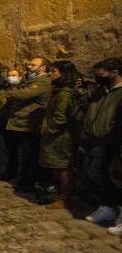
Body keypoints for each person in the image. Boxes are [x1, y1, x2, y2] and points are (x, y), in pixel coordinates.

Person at [36, 61, 82, 208]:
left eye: (55, 72)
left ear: (64, 74)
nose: (51, 74)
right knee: (56, 166)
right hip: (55, 137)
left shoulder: (65, 93)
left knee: (63, 167)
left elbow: (60, 117)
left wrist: (48, 129)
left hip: (61, 137)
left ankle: (64, 198)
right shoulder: (60, 91)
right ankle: (56, 194)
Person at [82, 57, 122, 226]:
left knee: (113, 176)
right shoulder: (102, 91)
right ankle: (107, 206)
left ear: (115, 73)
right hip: (96, 139)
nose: (98, 77)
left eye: (102, 74)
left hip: (112, 141)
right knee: (97, 173)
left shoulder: (119, 93)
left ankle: (115, 209)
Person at [3, 56, 52, 192]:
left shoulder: (42, 82)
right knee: (23, 154)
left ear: (43, 68)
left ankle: (27, 183)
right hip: (21, 122)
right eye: (29, 64)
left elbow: (21, 95)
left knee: (29, 155)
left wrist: (13, 89)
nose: (29, 66)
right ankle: (21, 179)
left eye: (33, 65)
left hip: (29, 124)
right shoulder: (32, 80)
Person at [0, 67, 23, 180]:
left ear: (20, 77)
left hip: (14, 124)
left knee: (14, 150)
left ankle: (14, 172)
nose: (11, 77)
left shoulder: (22, 91)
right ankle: (7, 170)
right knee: (6, 149)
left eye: (14, 75)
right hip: (3, 123)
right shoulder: (4, 90)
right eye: (9, 75)